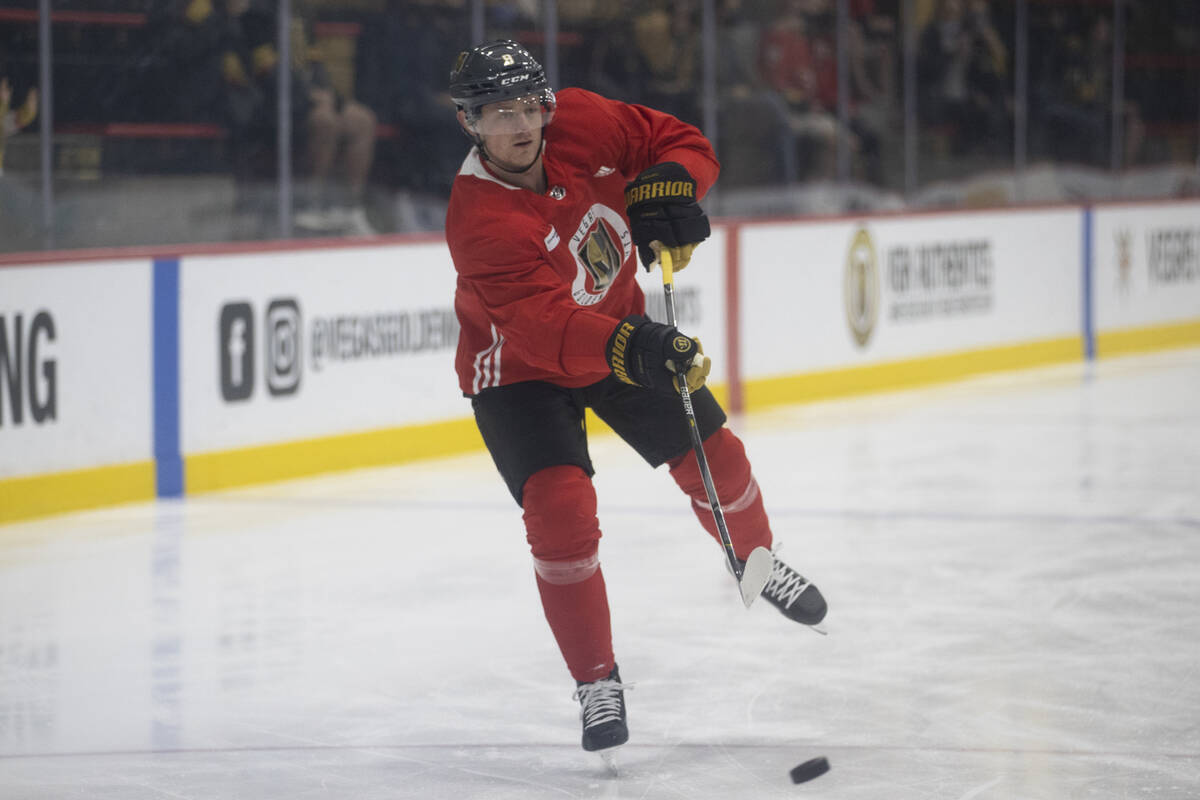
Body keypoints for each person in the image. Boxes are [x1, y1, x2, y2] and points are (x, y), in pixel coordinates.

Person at [443, 40, 828, 756]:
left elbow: (680, 142)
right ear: (469, 123)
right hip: (520, 372)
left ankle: (756, 563)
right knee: (561, 514)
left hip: (618, 335)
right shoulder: (480, 221)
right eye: (500, 113)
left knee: (721, 461)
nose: (522, 125)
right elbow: (543, 329)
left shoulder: (583, 122)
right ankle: (596, 681)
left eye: (530, 105)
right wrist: (641, 349)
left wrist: (670, 187)